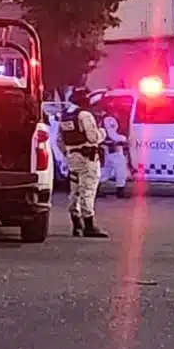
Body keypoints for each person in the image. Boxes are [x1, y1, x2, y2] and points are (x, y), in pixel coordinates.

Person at [59, 88, 108, 238]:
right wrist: (103, 133)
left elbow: (59, 140)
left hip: (72, 157)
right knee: (88, 189)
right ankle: (89, 225)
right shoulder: (84, 115)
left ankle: (76, 224)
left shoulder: (65, 116)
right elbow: (93, 138)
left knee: (75, 190)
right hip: (87, 158)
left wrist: (69, 152)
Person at [99, 99, 130, 195]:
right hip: (113, 148)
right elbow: (112, 135)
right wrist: (124, 139)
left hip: (108, 148)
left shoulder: (104, 118)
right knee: (120, 168)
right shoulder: (109, 119)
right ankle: (120, 190)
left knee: (106, 169)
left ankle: (96, 188)